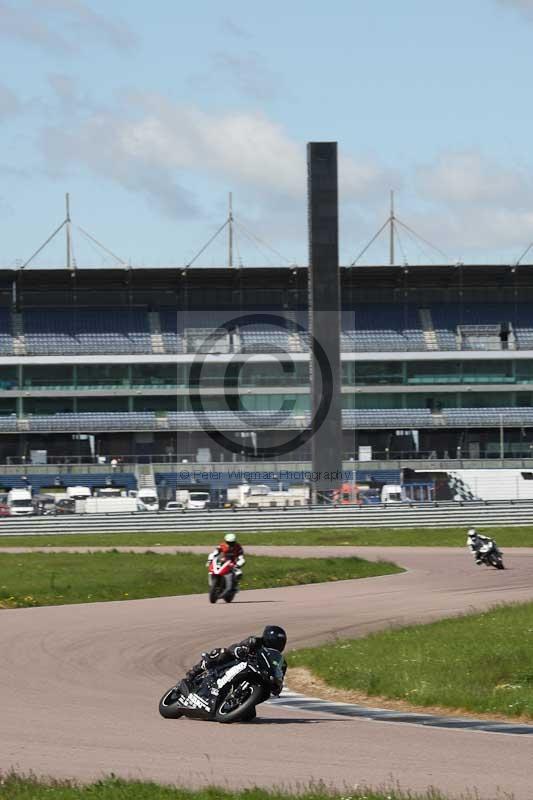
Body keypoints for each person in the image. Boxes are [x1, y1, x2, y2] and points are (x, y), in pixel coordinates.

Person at [179, 625, 287, 697]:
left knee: (249, 716)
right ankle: (192, 675)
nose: (277, 644)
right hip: (238, 663)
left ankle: (236, 701)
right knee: (221, 653)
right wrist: (240, 650)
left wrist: (277, 684)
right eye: (276, 641)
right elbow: (235, 647)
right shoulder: (255, 642)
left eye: (280, 642)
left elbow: (279, 680)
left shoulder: (281, 662)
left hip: (257, 678)